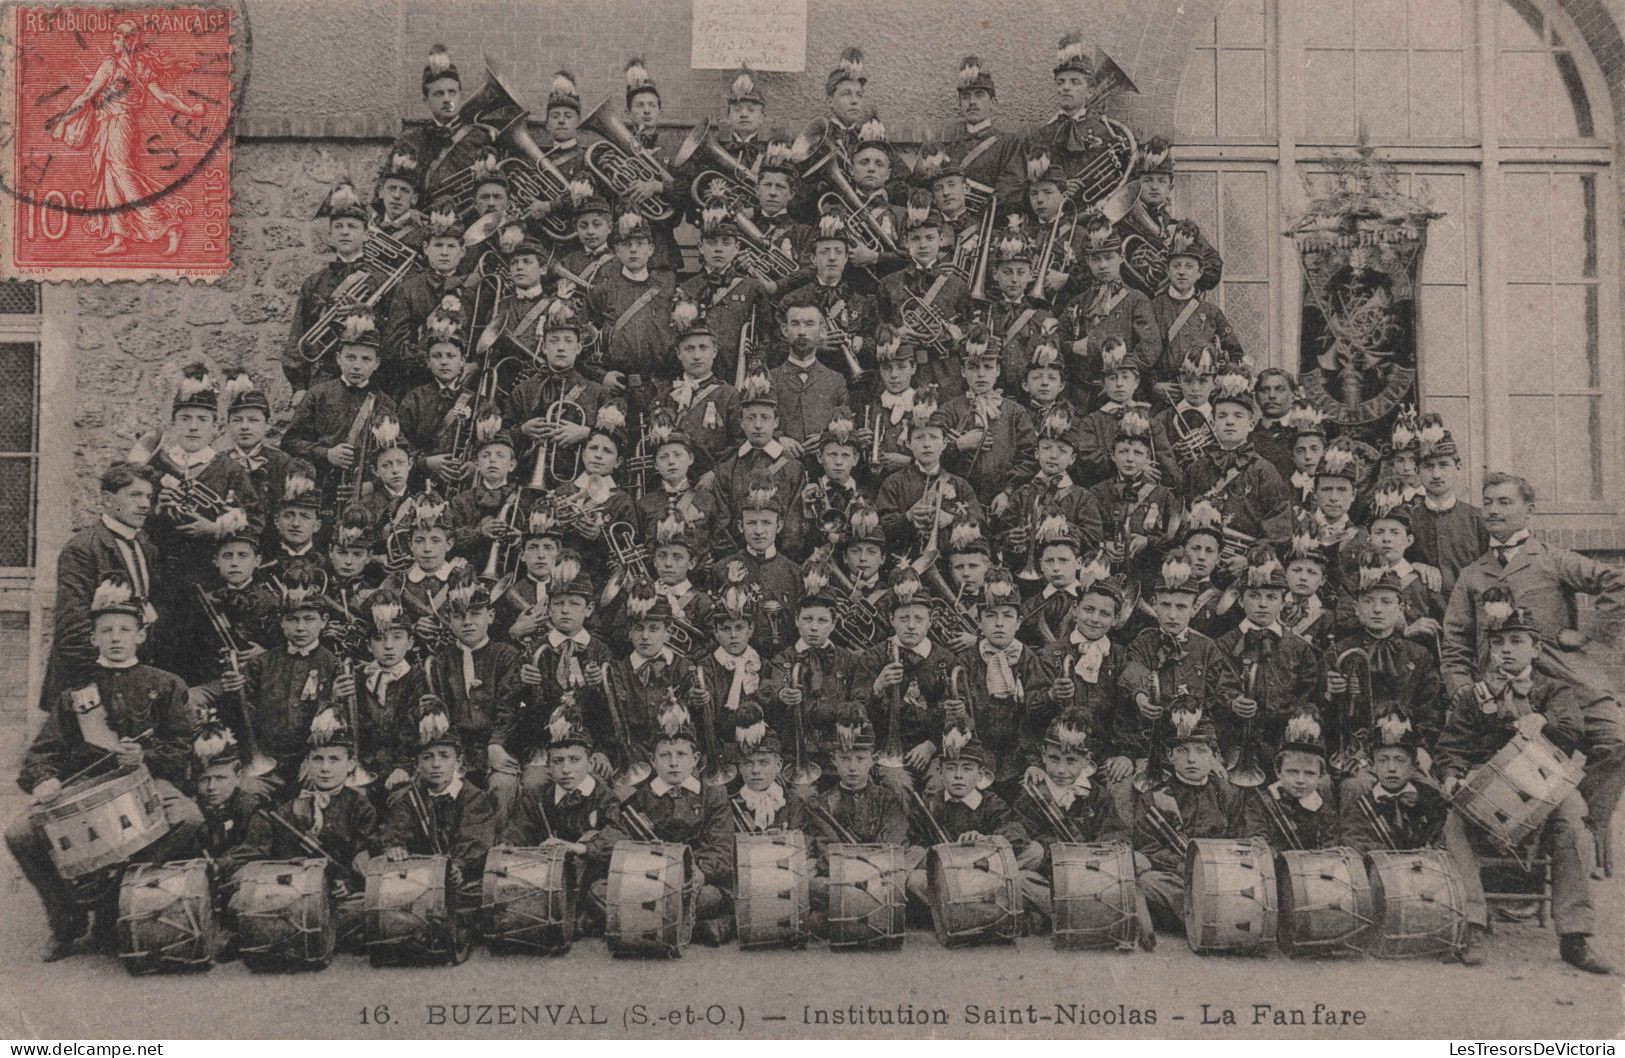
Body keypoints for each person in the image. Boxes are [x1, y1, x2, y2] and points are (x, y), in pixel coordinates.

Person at [8, 574, 203, 961]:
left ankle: (115, 898)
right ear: (94, 638)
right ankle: (67, 919)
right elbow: (41, 753)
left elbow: (182, 749)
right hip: (88, 788)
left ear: (140, 637)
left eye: (125, 630)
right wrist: (45, 780)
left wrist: (144, 757)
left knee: (190, 819)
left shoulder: (165, 685)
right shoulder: (74, 694)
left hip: (149, 781)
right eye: (106, 630)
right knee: (19, 835)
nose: (116, 637)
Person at [1435, 592, 1611, 973]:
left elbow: (1573, 732)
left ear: (1535, 648)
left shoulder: (1554, 690)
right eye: (1498, 642)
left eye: (1517, 641)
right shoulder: (1472, 695)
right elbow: (1452, 747)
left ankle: (1575, 936)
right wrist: (1451, 775)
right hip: (1489, 786)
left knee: (1574, 820)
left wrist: (1542, 722)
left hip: (1543, 784)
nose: (1506, 650)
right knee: (1454, 822)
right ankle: (1473, 923)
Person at [47, 19, 202, 256]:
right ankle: (119, 238)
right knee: (109, 180)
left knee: (124, 178)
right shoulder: (141, 67)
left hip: (120, 127)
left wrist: (63, 121)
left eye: (117, 38)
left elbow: (87, 95)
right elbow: (164, 97)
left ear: (128, 41)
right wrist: (190, 110)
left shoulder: (112, 65)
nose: (113, 41)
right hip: (109, 127)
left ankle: (170, 226)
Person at [227, 706, 377, 946]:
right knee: (238, 902)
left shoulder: (360, 807)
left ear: (351, 764)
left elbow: (364, 857)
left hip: (338, 896)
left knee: (365, 907)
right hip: (295, 889)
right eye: (318, 759)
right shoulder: (292, 806)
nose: (325, 768)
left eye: (334, 759)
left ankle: (288, 932)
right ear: (307, 763)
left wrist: (347, 885)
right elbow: (276, 855)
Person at [373, 699, 500, 941]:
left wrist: (459, 866)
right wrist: (395, 847)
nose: (436, 764)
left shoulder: (473, 797)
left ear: (458, 762)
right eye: (428, 758)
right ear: (418, 764)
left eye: (444, 756)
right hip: (422, 880)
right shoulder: (410, 799)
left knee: (488, 896)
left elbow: (476, 840)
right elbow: (394, 829)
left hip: (463, 880)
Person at [610, 702, 737, 945]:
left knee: (709, 897)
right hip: (652, 880)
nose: (673, 763)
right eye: (665, 755)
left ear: (696, 759)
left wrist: (700, 872)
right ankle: (703, 927)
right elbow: (630, 847)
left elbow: (720, 848)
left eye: (681, 754)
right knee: (601, 889)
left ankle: (653, 924)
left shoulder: (712, 794)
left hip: (696, 879)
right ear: (652, 759)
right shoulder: (641, 796)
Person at [38, 463, 160, 713]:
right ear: (107, 499)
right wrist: (98, 681)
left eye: (149, 496)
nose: (145, 504)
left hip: (129, 677)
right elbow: (72, 629)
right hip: (88, 682)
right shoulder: (82, 548)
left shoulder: (145, 544)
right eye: (134, 495)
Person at [500, 706, 625, 937]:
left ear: (589, 763)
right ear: (548, 766)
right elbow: (520, 828)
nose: (566, 769)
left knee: (603, 893)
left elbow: (617, 834)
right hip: (556, 880)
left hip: (594, 877)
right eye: (558, 761)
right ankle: (578, 919)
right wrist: (508, 845)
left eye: (575, 760)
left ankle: (583, 919)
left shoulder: (603, 795)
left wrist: (581, 848)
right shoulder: (540, 797)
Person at [1128, 704, 1245, 933]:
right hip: (1177, 878)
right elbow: (1148, 846)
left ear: (1214, 756)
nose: (1192, 759)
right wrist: (1182, 866)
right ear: (1170, 755)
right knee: (1148, 881)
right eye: (1183, 750)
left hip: (1222, 876)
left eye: (1201, 751)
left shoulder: (1228, 794)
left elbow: (1241, 836)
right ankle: (1209, 918)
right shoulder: (1154, 797)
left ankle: (1199, 917)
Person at [903, 729, 1036, 919]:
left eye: (967, 768)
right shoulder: (930, 804)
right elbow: (914, 844)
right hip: (947, 877)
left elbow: (1015, 831)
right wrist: (940, 856)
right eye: (951, 768)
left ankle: (963, 911)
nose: (958, 775)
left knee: (1035, 852)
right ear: (940, 772)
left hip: (985, 872)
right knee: (915, 880)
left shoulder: (991, 802)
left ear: (980, 774)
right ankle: (976, 911)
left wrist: (985, 841)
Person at [1212, 546, 1322, 772]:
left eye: (1271, 597)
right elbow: (1214, 687)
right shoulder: (1223, 645)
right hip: (1234, 740)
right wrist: (1233, 702)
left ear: (1283, 603)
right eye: (1254, 596)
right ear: (1241, 601)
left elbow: (1309, 691)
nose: (1262, 604)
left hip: (1282, 740)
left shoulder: (1299, 647)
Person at [427, 569, 524, 825]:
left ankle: (497, 848)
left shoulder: (505, 655)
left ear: (490, 616)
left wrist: (497, 744)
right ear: (449, 620)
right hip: (458, 751)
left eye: (475, 614)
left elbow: (510, 707)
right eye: (459, 616)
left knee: (502, 785)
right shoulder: (441, 661)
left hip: (495, 748)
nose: (467, 622)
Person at [283, 306, 400, 514]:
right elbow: (291, 442)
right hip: (322, 488)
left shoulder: (385, 403)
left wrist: (372, 485)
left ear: (377, 364)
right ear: (338, 358)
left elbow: (398, 452)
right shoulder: (318, 394)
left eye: (366, 359)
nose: (357, 366)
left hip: (366, 496)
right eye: (350, 357)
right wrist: (327, 454)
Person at [284, 183, 374, 392]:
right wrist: (299, 387)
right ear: (330, 237)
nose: (345, 232)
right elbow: (298, 335)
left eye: (352, 227)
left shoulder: (378, 280)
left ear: (366, 235)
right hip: (322, 379)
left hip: (369, 380)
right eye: (339, 227)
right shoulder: (314, 283)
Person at [1148, 221, 1242, 404]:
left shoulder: (1211, 312)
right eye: (1176, 266)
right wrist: (1153, 385)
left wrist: (1217, 382)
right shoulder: (1152, 307)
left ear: (1199, 273)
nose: (1182, 272)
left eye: (1189, 266)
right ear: (1168, 271)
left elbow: (1235, 353)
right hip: (1165, 397)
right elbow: (1141, 353)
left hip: (1202, 397)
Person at [1337, 711, 1447, 855]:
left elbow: (1441, 839)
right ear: (1373, 765)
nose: (1392, 768)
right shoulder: (1362, 805)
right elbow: (1355, 842)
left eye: (1400, 760)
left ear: (1413, 767)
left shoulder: (1430, 799)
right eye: (1383, 760)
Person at [1410, 413, 1488, 599]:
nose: (1436, 474)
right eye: (1429, 466)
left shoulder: (1477, 519)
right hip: (1422, 615)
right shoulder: (1406, 518)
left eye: (1444, 465)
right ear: (1417, 471)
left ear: (1458, 466)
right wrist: (1413, 565)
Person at [1241, 709, 1339, 851]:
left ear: (1321, 776)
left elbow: (1331, 847)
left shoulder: (1324, 809)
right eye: (1292, 771)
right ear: (1278, 771)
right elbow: (1257, 841)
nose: (1300, 780)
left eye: (1309, 773)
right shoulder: (1260, 803)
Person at [940, 55, 1026, 208]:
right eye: (966, 96)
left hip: (989, 223)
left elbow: (1011, 189)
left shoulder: (1008, 143)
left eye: (979, 95)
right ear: (960, 104)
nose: (972, 102)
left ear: (993, 102)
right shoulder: (950, 145)